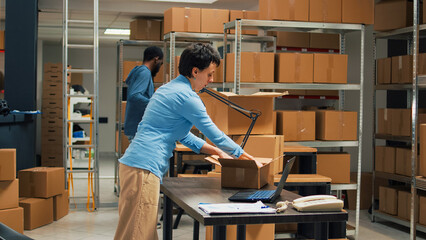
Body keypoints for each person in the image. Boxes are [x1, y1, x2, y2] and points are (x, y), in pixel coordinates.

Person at [114, 43, 261, 240]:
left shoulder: (168, 89)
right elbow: (216, 134)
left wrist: (216, 152)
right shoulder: (187, 97)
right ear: (195, 71)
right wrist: (247, 158)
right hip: (144, 170)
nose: (211, 80)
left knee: (140, 232)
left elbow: (183, 135)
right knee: (136, 235)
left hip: (135, 166)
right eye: (209, 74)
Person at [123, 46, 163, 141]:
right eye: (160, 63)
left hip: (136, 128)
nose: (159, 67)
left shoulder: (138, 71)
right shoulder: (144, 72)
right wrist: (154, 103)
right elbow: (135, 96)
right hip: (139, 129)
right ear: (156, 59)